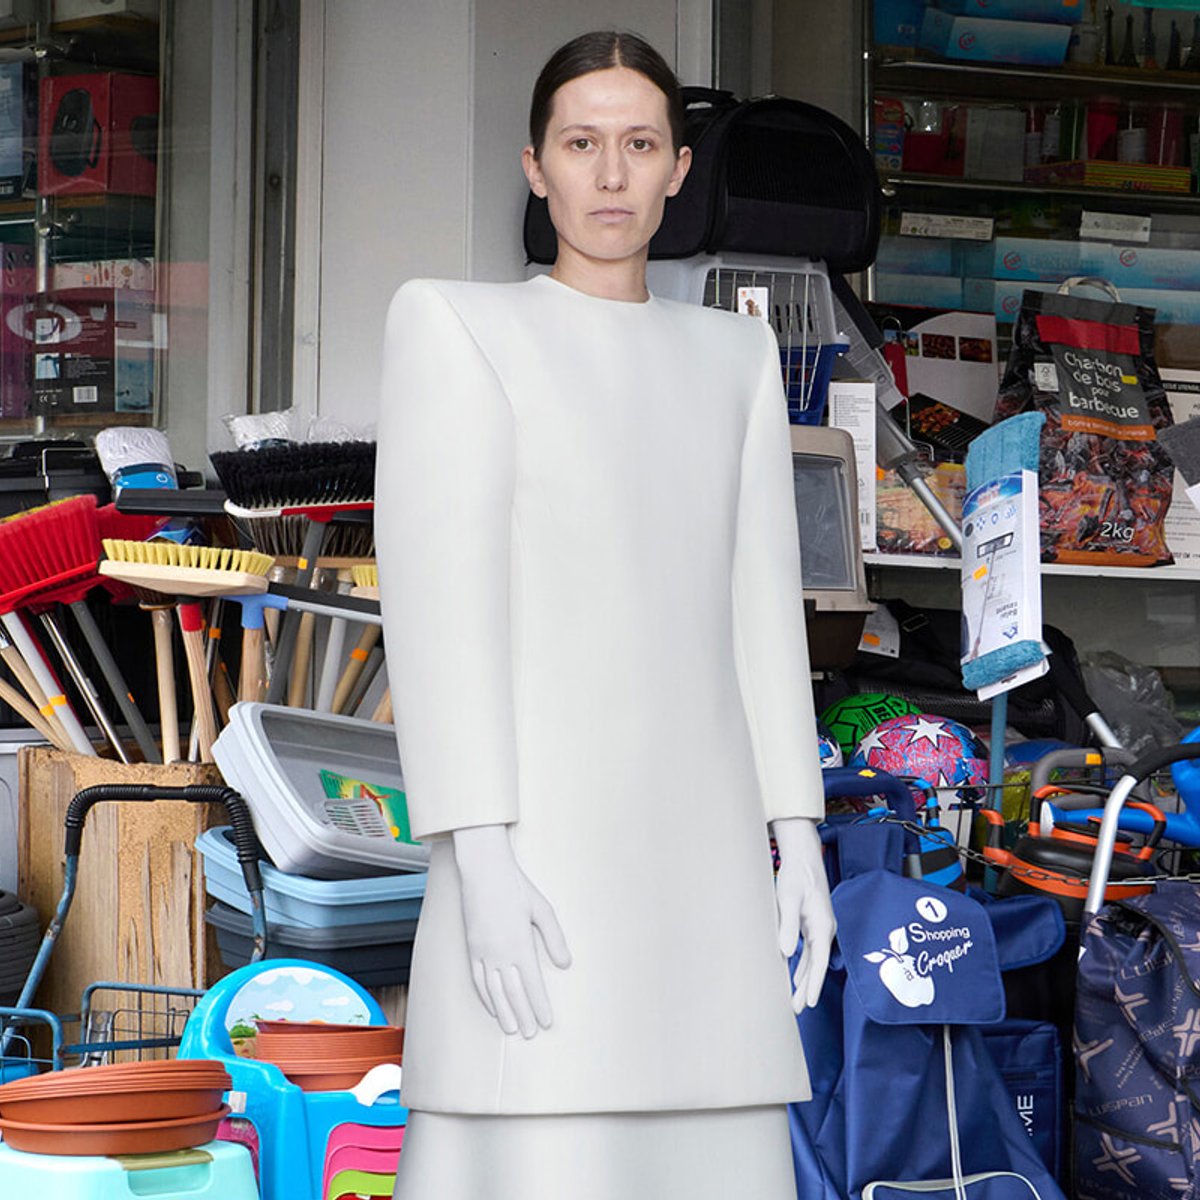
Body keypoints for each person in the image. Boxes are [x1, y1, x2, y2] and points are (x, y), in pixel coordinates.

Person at [377, 30, 835, 1200]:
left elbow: (758, 611)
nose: (613, 175)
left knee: (715, 1137)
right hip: (540, 840)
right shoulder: (455, 324)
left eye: (640, 145)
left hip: (702, 847)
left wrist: (799, 827)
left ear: (681, 167)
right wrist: (474, 846)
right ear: (537, 165)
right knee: (541, 1133)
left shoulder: (734, 352)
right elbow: (440, 601)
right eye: (584, 144)